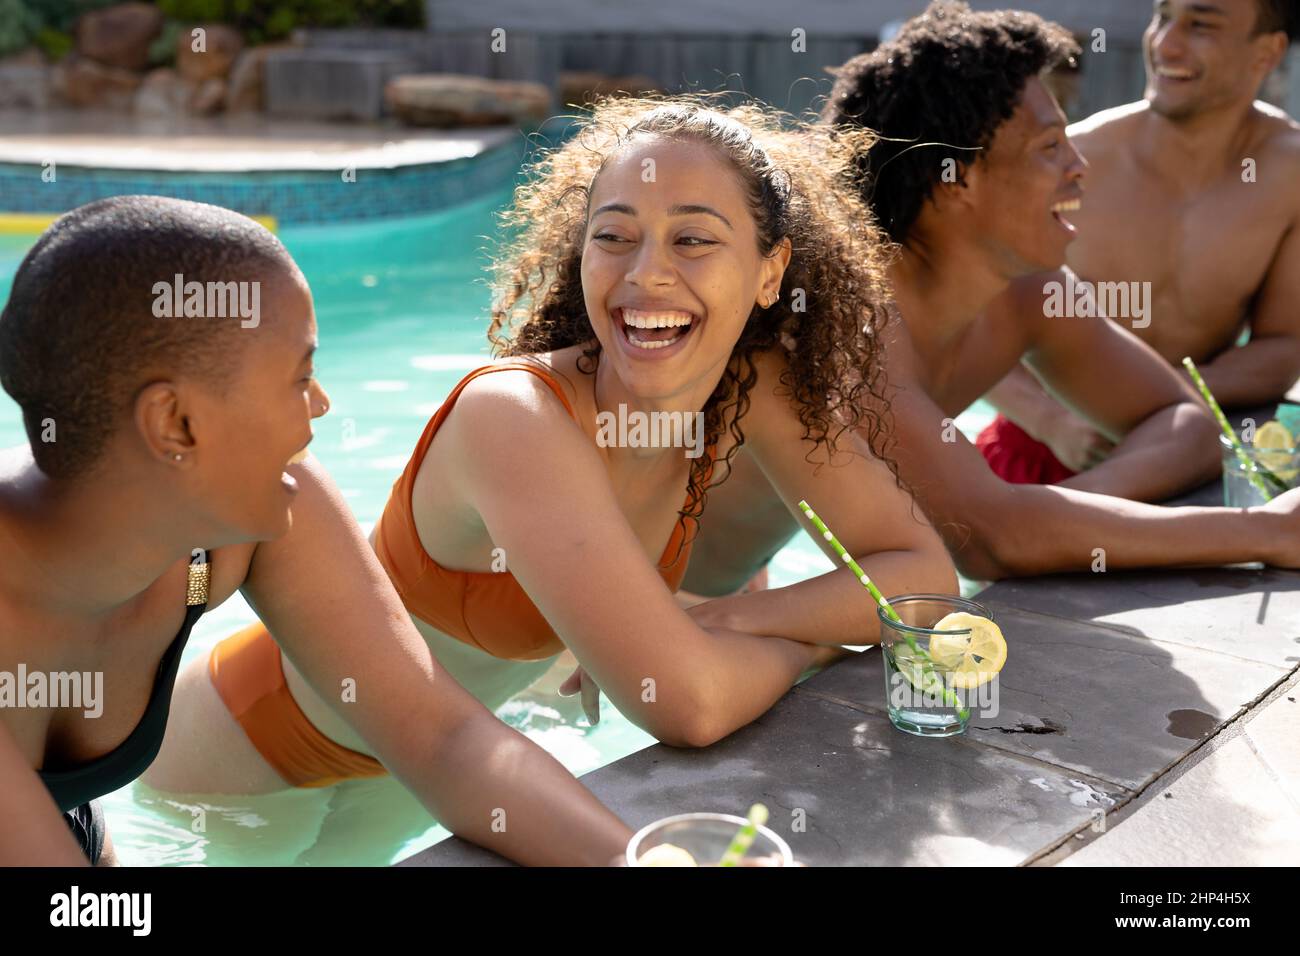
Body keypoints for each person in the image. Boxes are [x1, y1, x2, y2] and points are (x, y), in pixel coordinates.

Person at [144, 95, 957, 799]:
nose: (647, 274)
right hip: (243, 759)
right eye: (615, 236)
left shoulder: (748, 387)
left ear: (771, 270)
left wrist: (734, 619)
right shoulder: (514, 417)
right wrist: (811, 637)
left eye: (694, 240)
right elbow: (691, 703)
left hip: (431, 770)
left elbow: (923, 578)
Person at [0, 196, 631, 865]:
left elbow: (442, 739)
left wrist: (640, 860)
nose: (322, 404)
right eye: (299, 376)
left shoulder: (247, 520)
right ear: (176, 425)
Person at [679, 0, 1300, 600]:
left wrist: (1076, 506)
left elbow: (1187, 423)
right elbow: (992, 542)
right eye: (1051, 147)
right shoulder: (850, 321)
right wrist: (1266, 531)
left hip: (729, 573)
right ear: (957, 182)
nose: (1081, 165)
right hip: (636, 596)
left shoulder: (1027, 292)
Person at [984, 0, 1300, 479]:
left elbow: (1283, 346)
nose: (1165, 43)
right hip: (1040, 453)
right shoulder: (1070, 162)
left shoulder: (1289, 175)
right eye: (1163, 17)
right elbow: (962, 325)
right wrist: (1052, 421)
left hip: (1183, 461)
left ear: (1267, 52)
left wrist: (1168, 403)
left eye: (1200, 25)